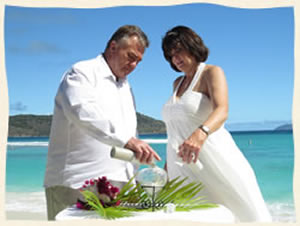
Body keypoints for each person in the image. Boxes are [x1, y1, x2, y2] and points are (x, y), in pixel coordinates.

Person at [44, 25, 161, 220]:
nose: (133, 65)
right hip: (78, 182)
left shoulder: (125, 86)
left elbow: (130, 130)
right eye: (130, 56)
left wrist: (136, 171)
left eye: (138, 61)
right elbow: (82, 111)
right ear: (113, 47)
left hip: (121, 183)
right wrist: (127, 140)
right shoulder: (82, 72)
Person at [161, 26, 272, 222]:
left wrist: (200, 133)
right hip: (182, 165)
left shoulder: (211, 72)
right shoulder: (176, 83)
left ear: (192, 45)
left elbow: (222, 110)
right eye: (170, 54)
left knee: (242, 214)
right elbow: (175, 129)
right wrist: (167, 166)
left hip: (213, 159)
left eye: (178, 50)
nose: (175, 58)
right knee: (190, 217)